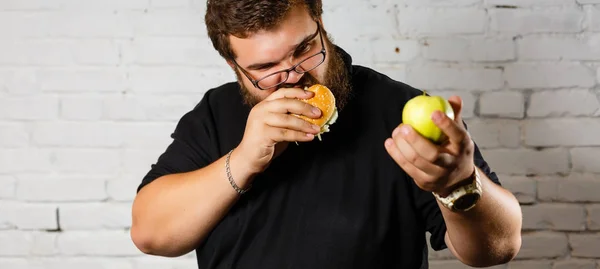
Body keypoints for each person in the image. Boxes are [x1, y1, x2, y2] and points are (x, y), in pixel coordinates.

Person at [130, 1, 523, 268]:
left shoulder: (398, 108)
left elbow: (498, 248)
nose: (295, 74)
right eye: (267, 67)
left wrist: (458, 184)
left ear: (320, 20)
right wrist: (245, 159)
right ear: (235, 67)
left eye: (304, 49)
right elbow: (150, 234)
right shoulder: (215, 114)